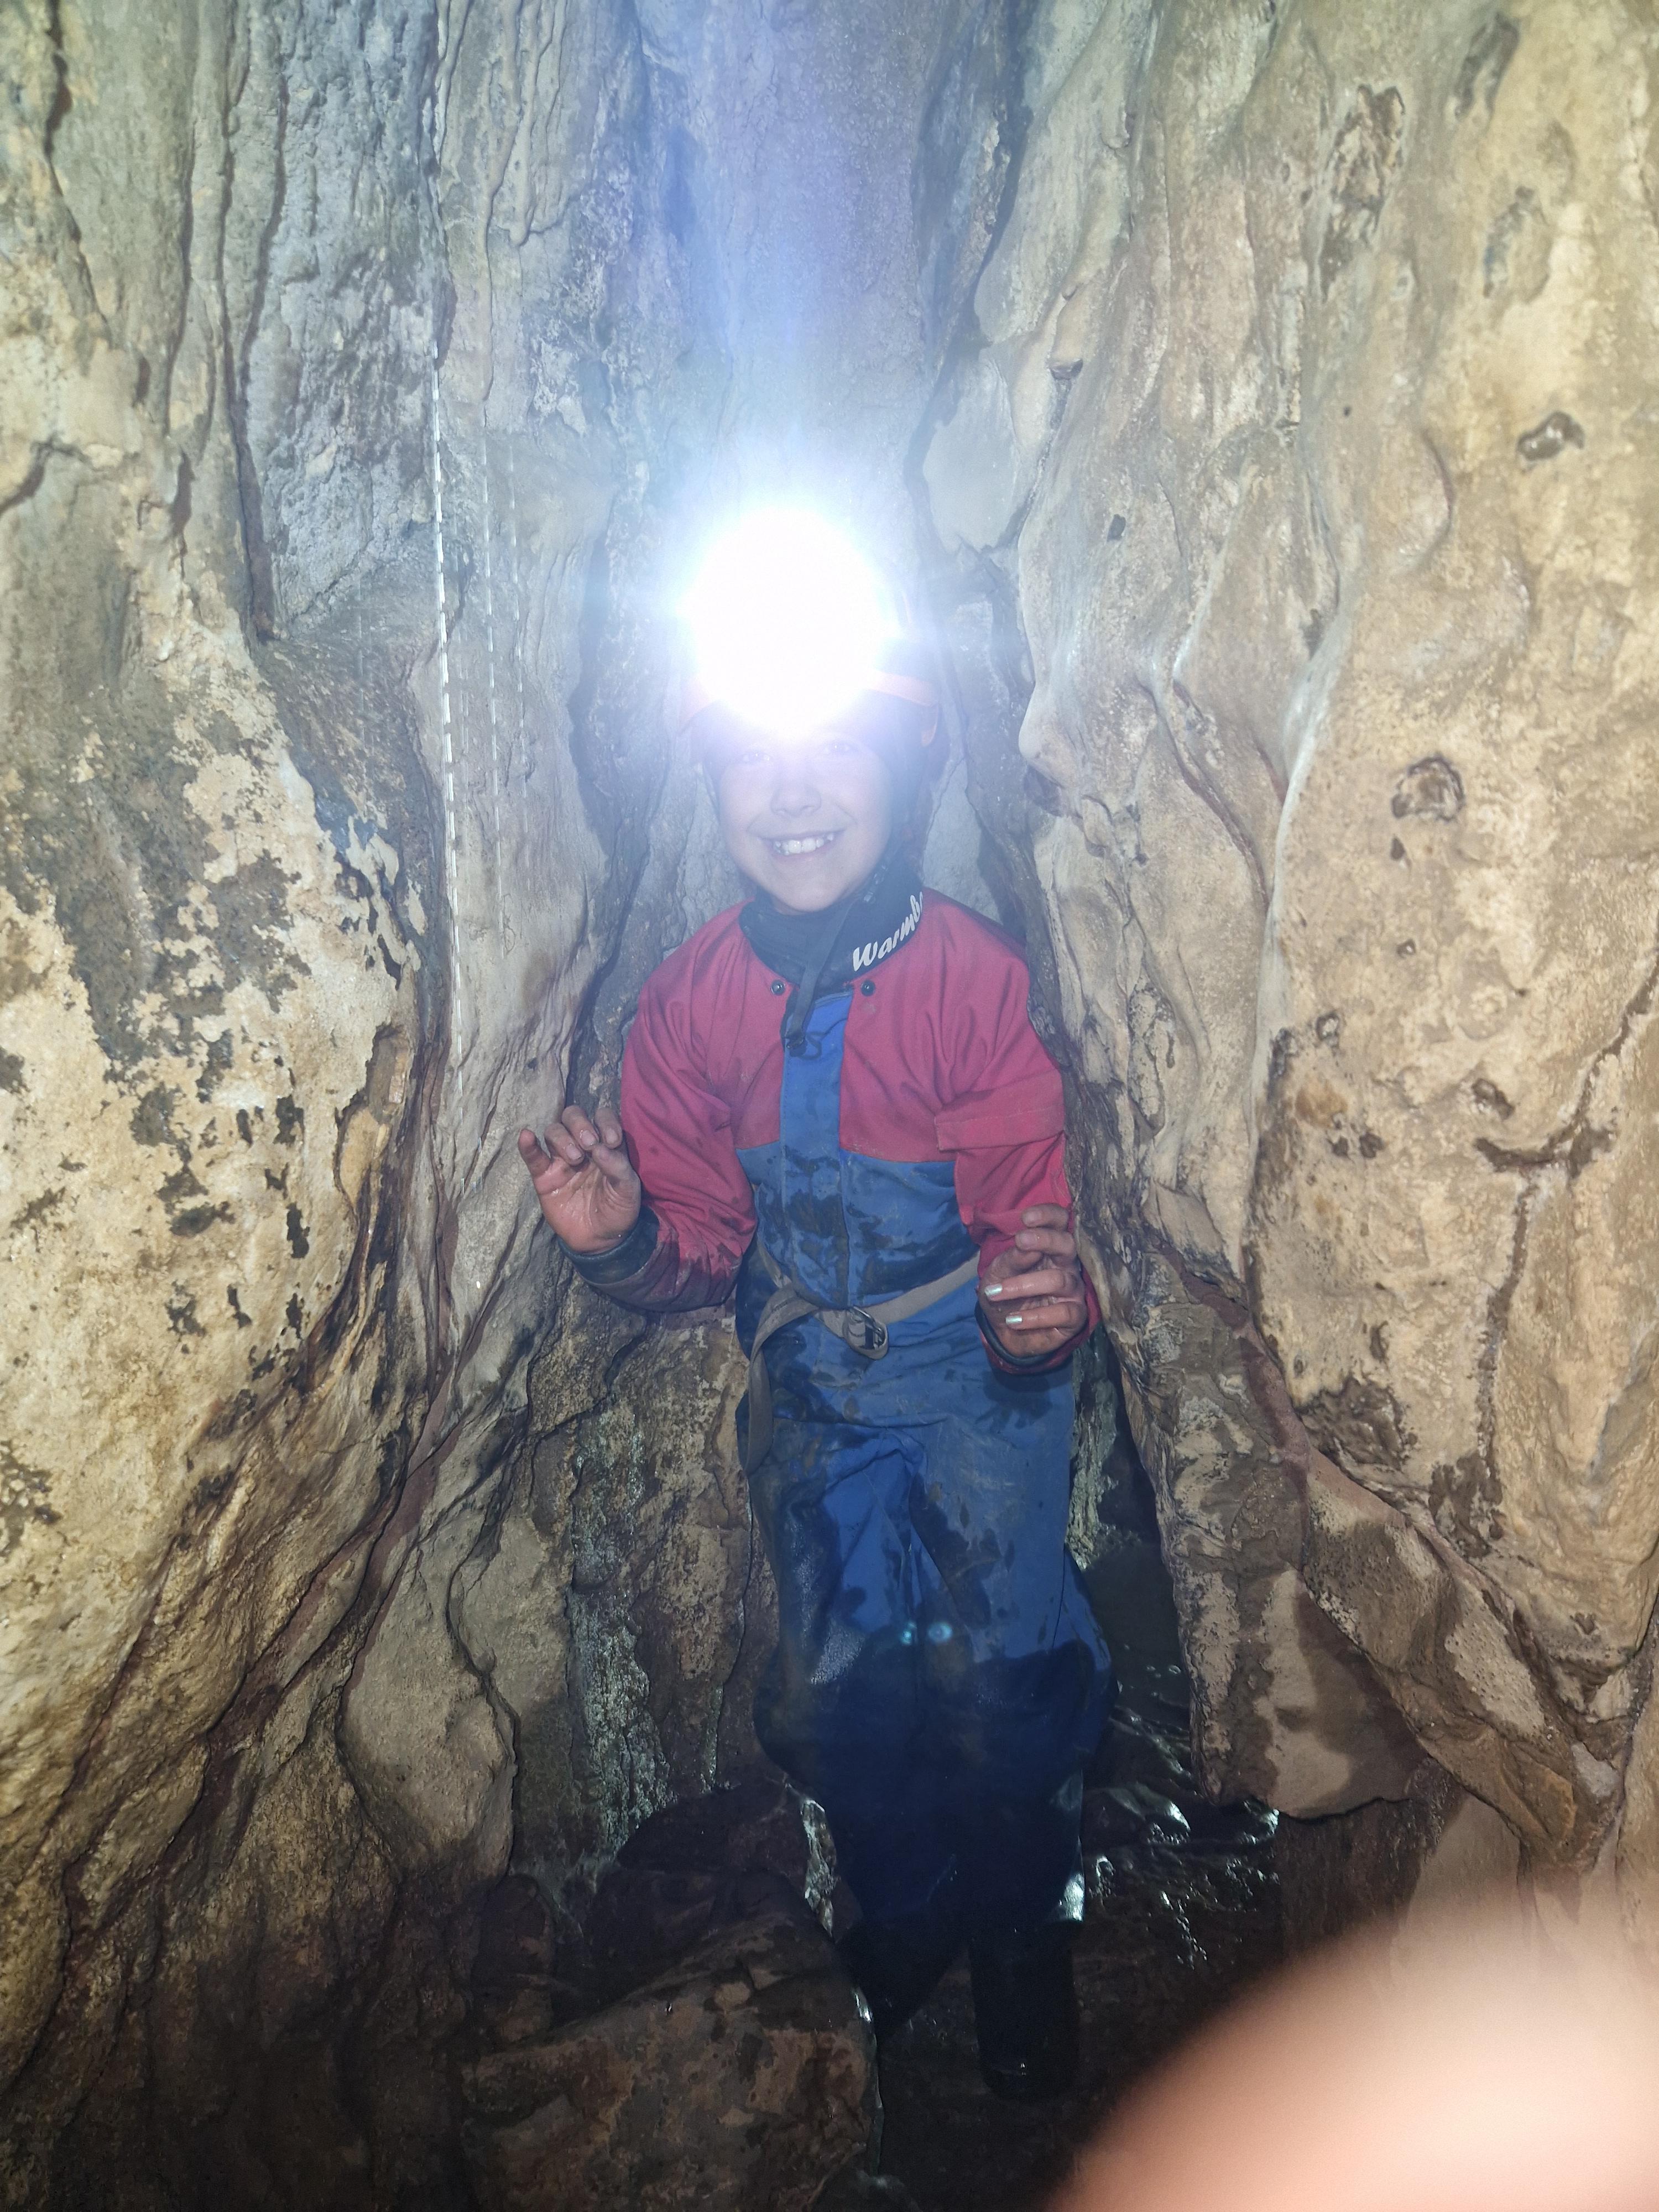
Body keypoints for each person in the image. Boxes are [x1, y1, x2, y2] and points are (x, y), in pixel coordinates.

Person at [518, 512, 1113, 2100]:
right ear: (715, 783)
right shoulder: (692, 1006)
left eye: (835, 746)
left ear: (903, 764)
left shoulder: (974, 983)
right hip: (820, 1388)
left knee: (1004, 1678)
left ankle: (1023, 1936)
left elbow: (1031, 1221)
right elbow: (702, 1253)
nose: (792, 793)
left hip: (977, 1375)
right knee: (842, 1697)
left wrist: (1038, 1315)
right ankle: (906, 1913)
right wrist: (619, 1241)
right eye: (754, 758)